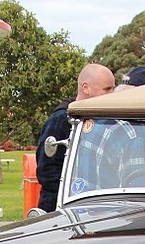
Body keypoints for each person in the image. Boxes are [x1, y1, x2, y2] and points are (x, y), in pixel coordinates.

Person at [35, 63, 115, 212]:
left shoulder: (101, 120)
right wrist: (73, 193)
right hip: (58, 208)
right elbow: (47, 170)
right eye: (107, 89)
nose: (112, 93)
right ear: (86, 88)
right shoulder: (61, 119)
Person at [69, 67, 145, 194]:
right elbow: (138, 196)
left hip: (82, 208)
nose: (112, 95)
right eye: (108, 89)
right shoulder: (133, 134)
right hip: (108, 210)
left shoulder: (90, 125)